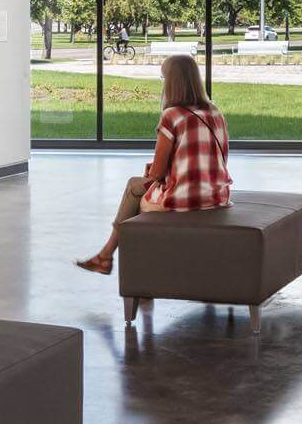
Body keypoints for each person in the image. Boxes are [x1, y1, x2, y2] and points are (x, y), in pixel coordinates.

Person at [76, 52, 231, 275]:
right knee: (140, 189)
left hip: (184, 200)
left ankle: (111, 258)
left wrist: (156, 172)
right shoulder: (214, 111)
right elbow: (220, 157)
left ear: (172, 82)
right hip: (218, 196)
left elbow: (157, 173)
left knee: (134, 189)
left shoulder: (172, 115)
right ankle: (108, 258)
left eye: (164, 78)